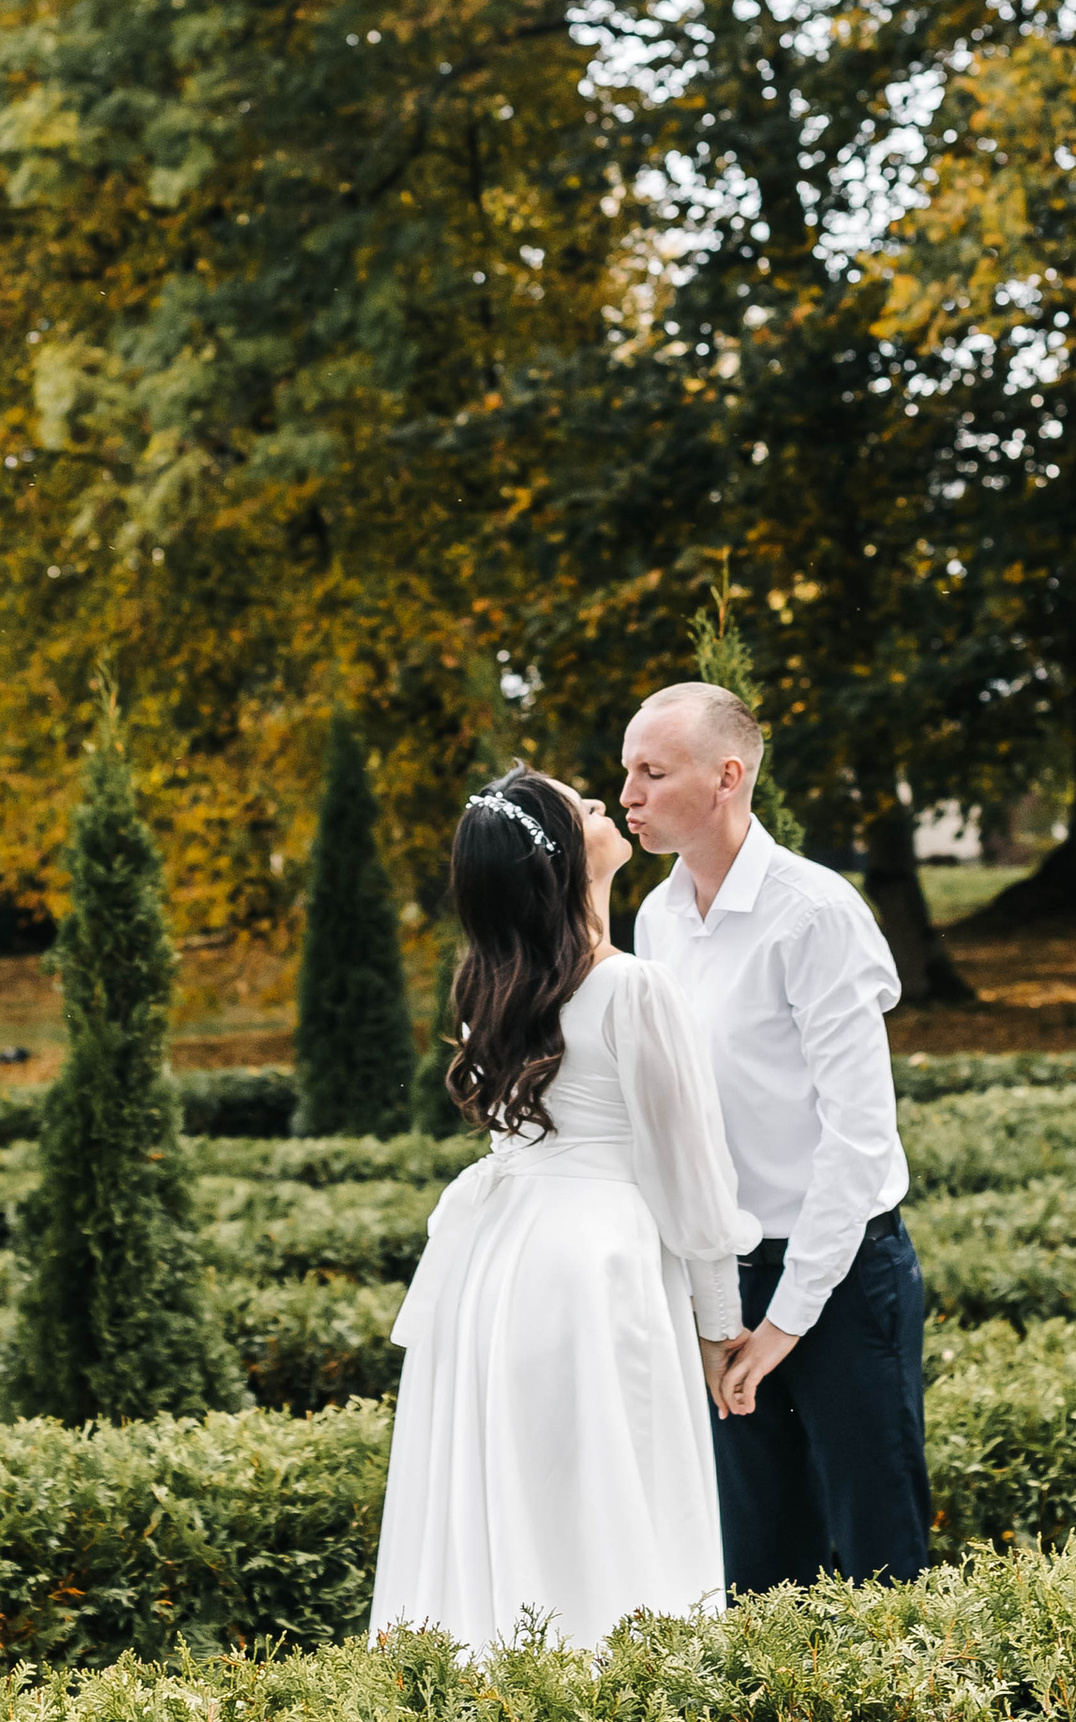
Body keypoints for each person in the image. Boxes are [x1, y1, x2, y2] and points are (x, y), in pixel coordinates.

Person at [369, 764, 756, 1655]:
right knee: (618, 1486)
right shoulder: (633, 988)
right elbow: (690, 1178)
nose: (605, 805)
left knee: (512, 1486)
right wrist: (719, 1322)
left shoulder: (490, 986)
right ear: (560, 860)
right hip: (594, 1267)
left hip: (494, 1268)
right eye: (583, 805)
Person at [624, 680, 931, 1593]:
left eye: (652, 772)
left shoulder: (816, 913)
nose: (630, 796)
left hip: (841, 1286)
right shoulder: (655, 919)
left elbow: (860, 1139)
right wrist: (712, 1309)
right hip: (724, 1285)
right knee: (756, 1571)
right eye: (626, 774)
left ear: (727, 777)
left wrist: (786, 1321)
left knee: (882, 1570)